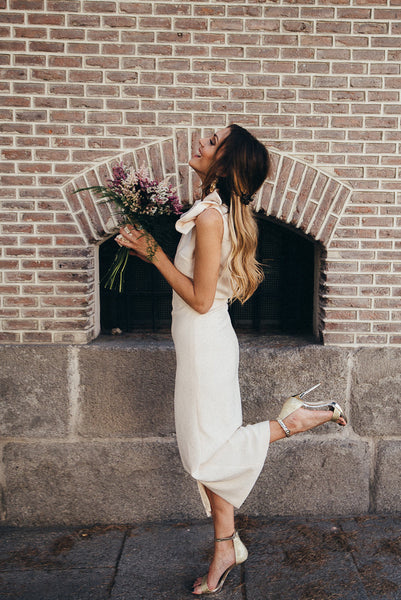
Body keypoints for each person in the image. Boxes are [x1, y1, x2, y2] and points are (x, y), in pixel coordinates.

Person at [117, 124, 347, 596]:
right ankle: (226, 544)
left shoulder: (210, 218)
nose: (202, 142)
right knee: (214, 449)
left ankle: (293, 422)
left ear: (223, 163)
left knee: (204, 456)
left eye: (213, 141)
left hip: (205, 342)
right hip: (204, 343)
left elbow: (201, 301)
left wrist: (154, 253)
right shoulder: (212, 211)